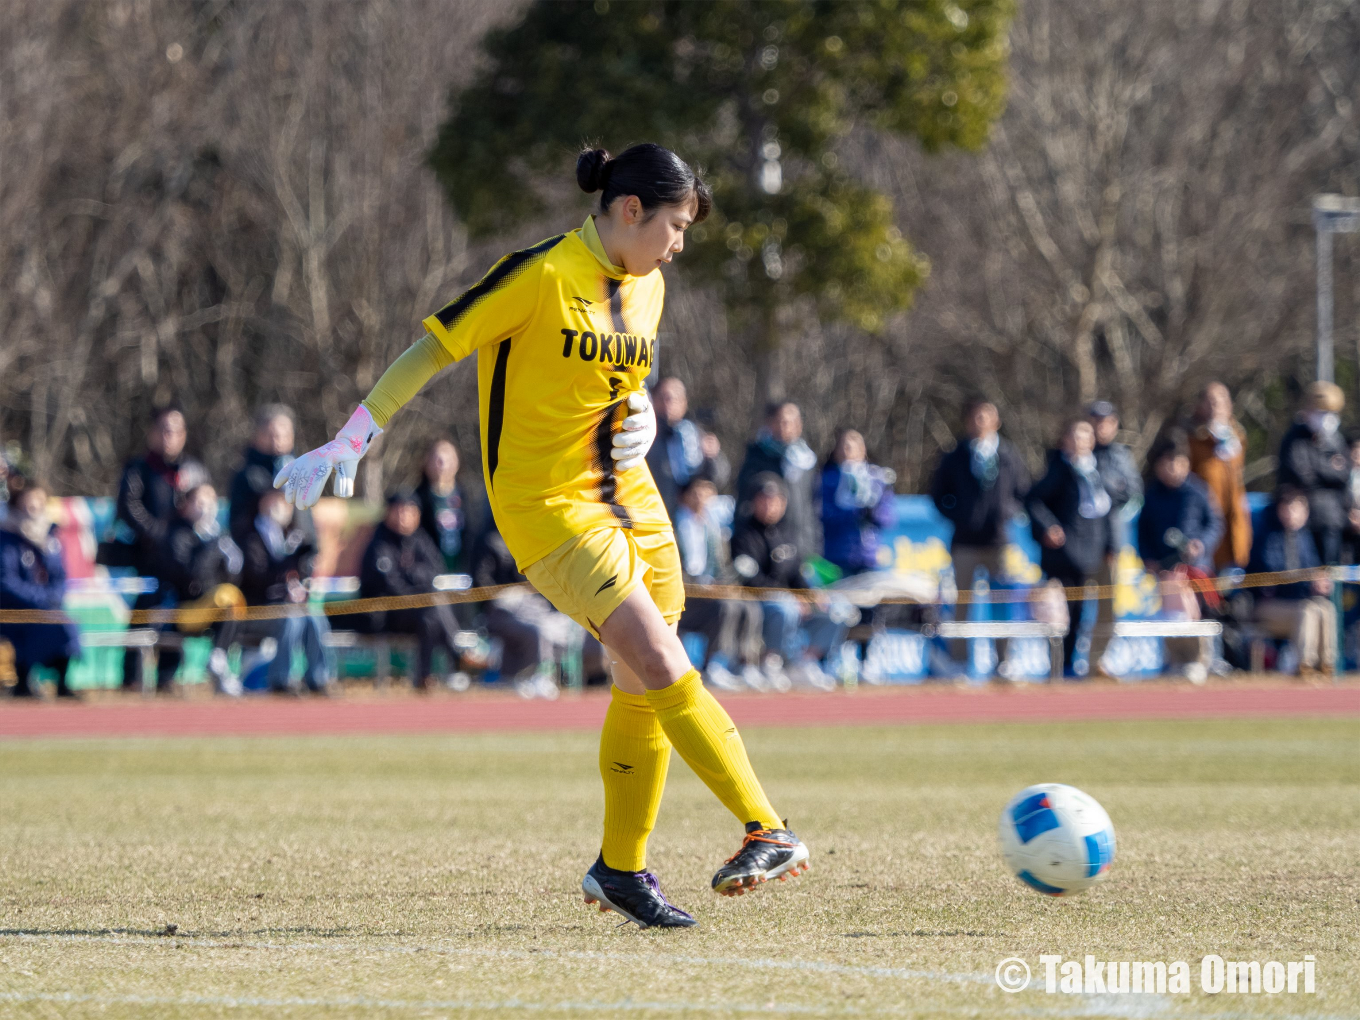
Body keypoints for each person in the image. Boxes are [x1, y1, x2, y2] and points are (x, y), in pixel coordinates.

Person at [273, 143, 804, 929]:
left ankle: (620, 870)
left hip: (635, 499)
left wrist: (644, 411)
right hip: (548, 511)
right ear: (629, 211)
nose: (679, 243)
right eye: (675, 225)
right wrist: (355, 435)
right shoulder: (540, 274)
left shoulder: (649, 286)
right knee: (661, 659)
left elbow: (615, 387)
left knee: (639, 682)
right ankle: (767, 826)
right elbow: (435, 346)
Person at [929, 399, 1030, 670]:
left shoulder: (1008, 454)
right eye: (975, 416)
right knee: (962, 603)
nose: (980, 421)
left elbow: (1022, 491)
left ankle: (1004, 661)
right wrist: (960, 515)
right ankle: (959, 661)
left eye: (986, 416)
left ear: (996, 421)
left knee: (1001, 602)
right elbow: (939, 495)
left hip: (999, 541)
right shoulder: (956, 455)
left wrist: (1006, 513)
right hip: (964, 542)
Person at [113, 405, 208, 691]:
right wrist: (155, 533)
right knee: (145, 615)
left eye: (176, 431)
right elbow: (129, 506)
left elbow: (204, 503)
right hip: (150, 557)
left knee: (178, 616)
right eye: (164, 430)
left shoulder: (193, 469)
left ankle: (168, 676)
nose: (170, 437)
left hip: (183, 560)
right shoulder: (139, 468)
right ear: (153, 433)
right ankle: (130, 677)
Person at [730, 473, 846, 691]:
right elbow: (750, 579)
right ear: (753, 502)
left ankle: (806, 661)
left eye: (775, 500)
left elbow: (798, 574)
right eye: (764, 499)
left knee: (838, 608)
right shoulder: (743, 536)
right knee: (784, 607)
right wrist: (791, 597)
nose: (769, 505)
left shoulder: (789, 534)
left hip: (791, 600)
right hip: (761, 601)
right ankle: (771, 661)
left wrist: (811, 595)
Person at [1027, 419, 1113, 676]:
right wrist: (1048, 527)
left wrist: (1110, 546)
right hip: (1063, 555)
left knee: (1080, 612)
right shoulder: (1058, 468)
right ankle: (1057, 665)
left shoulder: (1097, 470)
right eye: (1075, 436)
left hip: (1091, 551)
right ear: (1065, 440)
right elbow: (1034, 500)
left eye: (1085, 436)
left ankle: (1074, 663)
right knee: (1058, 613)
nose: (1080, 442)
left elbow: (1106, 512)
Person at [357, 490, 464, 690]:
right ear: (388, 513)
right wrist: (416, 585)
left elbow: (434, 571)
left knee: (430, 614)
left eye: (409, 512)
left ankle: (425, 677)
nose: (403, 517)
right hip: (385, 613)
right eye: (399, 511)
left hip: (418, 612)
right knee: (432, 606)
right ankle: (456, 657)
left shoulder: (420, 539)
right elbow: (389, 583)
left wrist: (411, 575)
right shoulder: (379, 541)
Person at [239, 488, 333, 694]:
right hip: (258, 609)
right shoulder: (251, 536)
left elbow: (303, 573)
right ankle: (281, 679)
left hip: (289, 606)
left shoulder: (293, 536)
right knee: (291, 619)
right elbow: (257, 576)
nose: (281, 508)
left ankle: (319, 678)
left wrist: (303, 561)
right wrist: (285, 560)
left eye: (285, 503)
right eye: (275, 502)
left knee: (314, 617)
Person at [673, 473, 762, 691]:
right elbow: (672, 567)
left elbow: (723, 566)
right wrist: (700, 585)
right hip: (685, 595)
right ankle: (714, 664)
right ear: (684, 496)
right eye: (696, 493)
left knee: (749, 606)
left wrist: (728, 583)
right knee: (726, 608)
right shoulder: (672, 526)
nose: (701, 498)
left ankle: (745, 664)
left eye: (707, 493)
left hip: (711, 590)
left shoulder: (713, 529)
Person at [158, 483, 245, 694]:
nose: (206, 508)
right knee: (228, 595)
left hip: (210, 611)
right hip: (182, 610)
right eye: (200, 502)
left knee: (232, 599)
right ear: (186, 505)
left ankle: (219, 657)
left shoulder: (218, 535)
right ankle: (216, 660)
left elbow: (234, 573)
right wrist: (212, 545)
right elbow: (192, 573)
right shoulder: (177, 534)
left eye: (211, 503)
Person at [0, 482, 81, 698]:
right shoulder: (6, 538)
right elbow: (6, 582)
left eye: (38, 502)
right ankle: (23, 681)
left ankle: (63, 683)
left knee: (65, 623)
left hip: (47, 608)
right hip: (14, 609)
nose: (33, 508)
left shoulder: (50, 538)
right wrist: (39, 600)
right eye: (28, 502)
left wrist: (52, 597)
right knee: (34, 626)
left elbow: (60, 577)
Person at [1248, 487, 1336, 678]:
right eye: (1287, 508)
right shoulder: (1267, 536)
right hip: (1269, 605)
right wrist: (1307, 582)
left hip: (1300, 602)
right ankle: (1304, 665)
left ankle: (1327, 664)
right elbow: (1273, 574)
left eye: (1297, 509)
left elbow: (1312, 569)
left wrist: (1319, 582)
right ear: (1279, 510)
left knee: (1325, 608)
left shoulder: (1305, 537)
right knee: (1307, 611)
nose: (1291, 514)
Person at [471, 526, 560, 698]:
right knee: (535, 631)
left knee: (551, 626)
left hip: (529, 607)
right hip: (496, 612)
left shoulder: (522, 534)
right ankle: (534, 675)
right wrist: (504, 595)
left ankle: (540, 675)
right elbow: (480, 581)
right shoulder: (487, 540)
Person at [1087, 401, 1142, 673]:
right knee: (1069, 602)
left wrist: (1106, 490)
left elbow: (1132, 494)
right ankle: (1062, 661)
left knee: (1108, 606)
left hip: (1110, 542)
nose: (1101, 427)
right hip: (1078, 543)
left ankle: (1096, 661)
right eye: (1095, 421)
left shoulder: (1121, 456)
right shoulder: (1075, 454)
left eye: (1106, 421)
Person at [736, 401, 821, 563]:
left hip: (801, 542)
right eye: (781, 421)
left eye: (791, 422)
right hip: (764, 544)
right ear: (770, 423)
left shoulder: (806, 461)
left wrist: (813, 545)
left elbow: (812, 506)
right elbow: (743, 504)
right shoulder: (757, 456)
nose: (786, 427)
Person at [1277, 382, 1350, 565]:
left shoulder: (1335, 439)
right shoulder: (1295, 438)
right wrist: (1330, 468)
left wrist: (1323, 470)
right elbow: (1301, 473)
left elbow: (1344, 473)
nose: (1327, 418)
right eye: (1322, 412)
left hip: (1334, 518)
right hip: (1306, 519)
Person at [1137, 430, 1224, 574]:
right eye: (1164, 465)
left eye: (1176, 464)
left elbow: (1215, 524)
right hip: (1163, 569)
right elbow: (1143, 531)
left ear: (1187, 463)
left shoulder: (1198, 490)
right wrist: (1148, 558)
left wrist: (1201, 544)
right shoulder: (1151, 495)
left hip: (1197, 567)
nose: (1171, 470)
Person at [1187, 382, 1252, 570]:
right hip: (1205, 520)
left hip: (1233, 519)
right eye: (1210, 401)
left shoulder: (1237, 438)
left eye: (1221, 400)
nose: (1216, 406)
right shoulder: (1192, 439)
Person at [646, 376, 729, 518]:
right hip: (652, 511)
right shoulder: (645, 433)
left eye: (675, 398)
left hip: (687, 519)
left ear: (684, 402)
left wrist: (713, 457)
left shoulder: (694, 433)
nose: (669, 403)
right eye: (664, 397)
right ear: (653, 400)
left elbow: (720, 477)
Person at [229, 405, 312, 547]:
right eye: (271, 435)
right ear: (257, 436)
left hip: (294, 556)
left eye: (284, 435)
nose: (277, 441)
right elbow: (238, 525)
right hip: (258, 555)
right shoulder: (247, 475)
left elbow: (306, 520)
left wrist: (310, 549)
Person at [819, 428, 896, 577]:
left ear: (863, 450)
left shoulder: (876, 479)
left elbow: (888, 518)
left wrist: (873, 513)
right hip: (836, 554)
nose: (848, 452)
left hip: (869, 556)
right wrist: (854, 514)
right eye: (844, 447)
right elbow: (822, 513)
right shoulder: (827, 479)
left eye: (854, 447)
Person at [416, 438, 480, 574]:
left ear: (457, 463)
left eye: (448, 460)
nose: (442, 465)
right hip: (430, 574)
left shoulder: (469, 498)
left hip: (465, 572)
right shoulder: (416, 500)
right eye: (438, 460)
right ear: (426, 463)